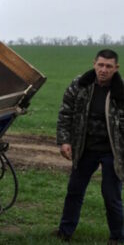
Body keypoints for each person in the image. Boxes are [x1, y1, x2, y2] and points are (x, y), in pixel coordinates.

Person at [55, 49, 124, 243]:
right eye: (100, 65)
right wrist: (65, 141)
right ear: (94, 63)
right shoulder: (80, 84)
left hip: (112, 152)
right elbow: (65, 113)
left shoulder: (121, 91)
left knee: (111, 196)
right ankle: (65, 232)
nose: (103, 70)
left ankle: (117, 237)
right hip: (85, 148)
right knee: (74, 191)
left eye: (108, 66)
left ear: (116, 68)